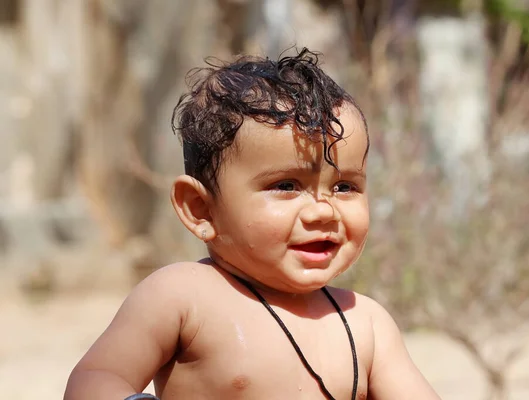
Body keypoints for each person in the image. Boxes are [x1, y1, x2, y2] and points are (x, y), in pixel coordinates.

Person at [64, 48, 441, 400]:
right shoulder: (181, 297)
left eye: (344, 186)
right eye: (286, 186)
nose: (323, 211)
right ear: (201, 210)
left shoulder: (365, 322)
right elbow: (95, 378)